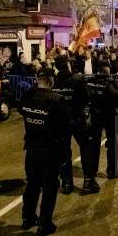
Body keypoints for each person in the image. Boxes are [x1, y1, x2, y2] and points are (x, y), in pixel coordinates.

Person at [19, 67, 71, 236]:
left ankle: (27, 218)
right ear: (51, 81)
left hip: (32, 148)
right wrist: (64, 156)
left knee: (32, 184)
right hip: (50, 150)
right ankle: (44, 223)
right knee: (49, 187)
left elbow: (22, 111)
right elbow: (64, 129)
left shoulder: (27, 97)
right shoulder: (57, 101)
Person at [52, 55, 91, 194]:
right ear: (67, 65)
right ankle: (87, 180)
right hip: (77, 119)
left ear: (56, 67)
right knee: (86, 148)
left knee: (64, 152)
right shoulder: (77, 80)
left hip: (61, 122)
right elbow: (87, 97)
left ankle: (67, 183)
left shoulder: (54, 83)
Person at [87, 64, 118, 183]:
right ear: (107, 73)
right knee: (112, 142)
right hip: (109, 115)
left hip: (95, 116)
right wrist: (114, 83)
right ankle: (112, 171)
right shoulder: (109, 84)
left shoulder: (90, 82)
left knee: (94, 143)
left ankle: (92, 170)